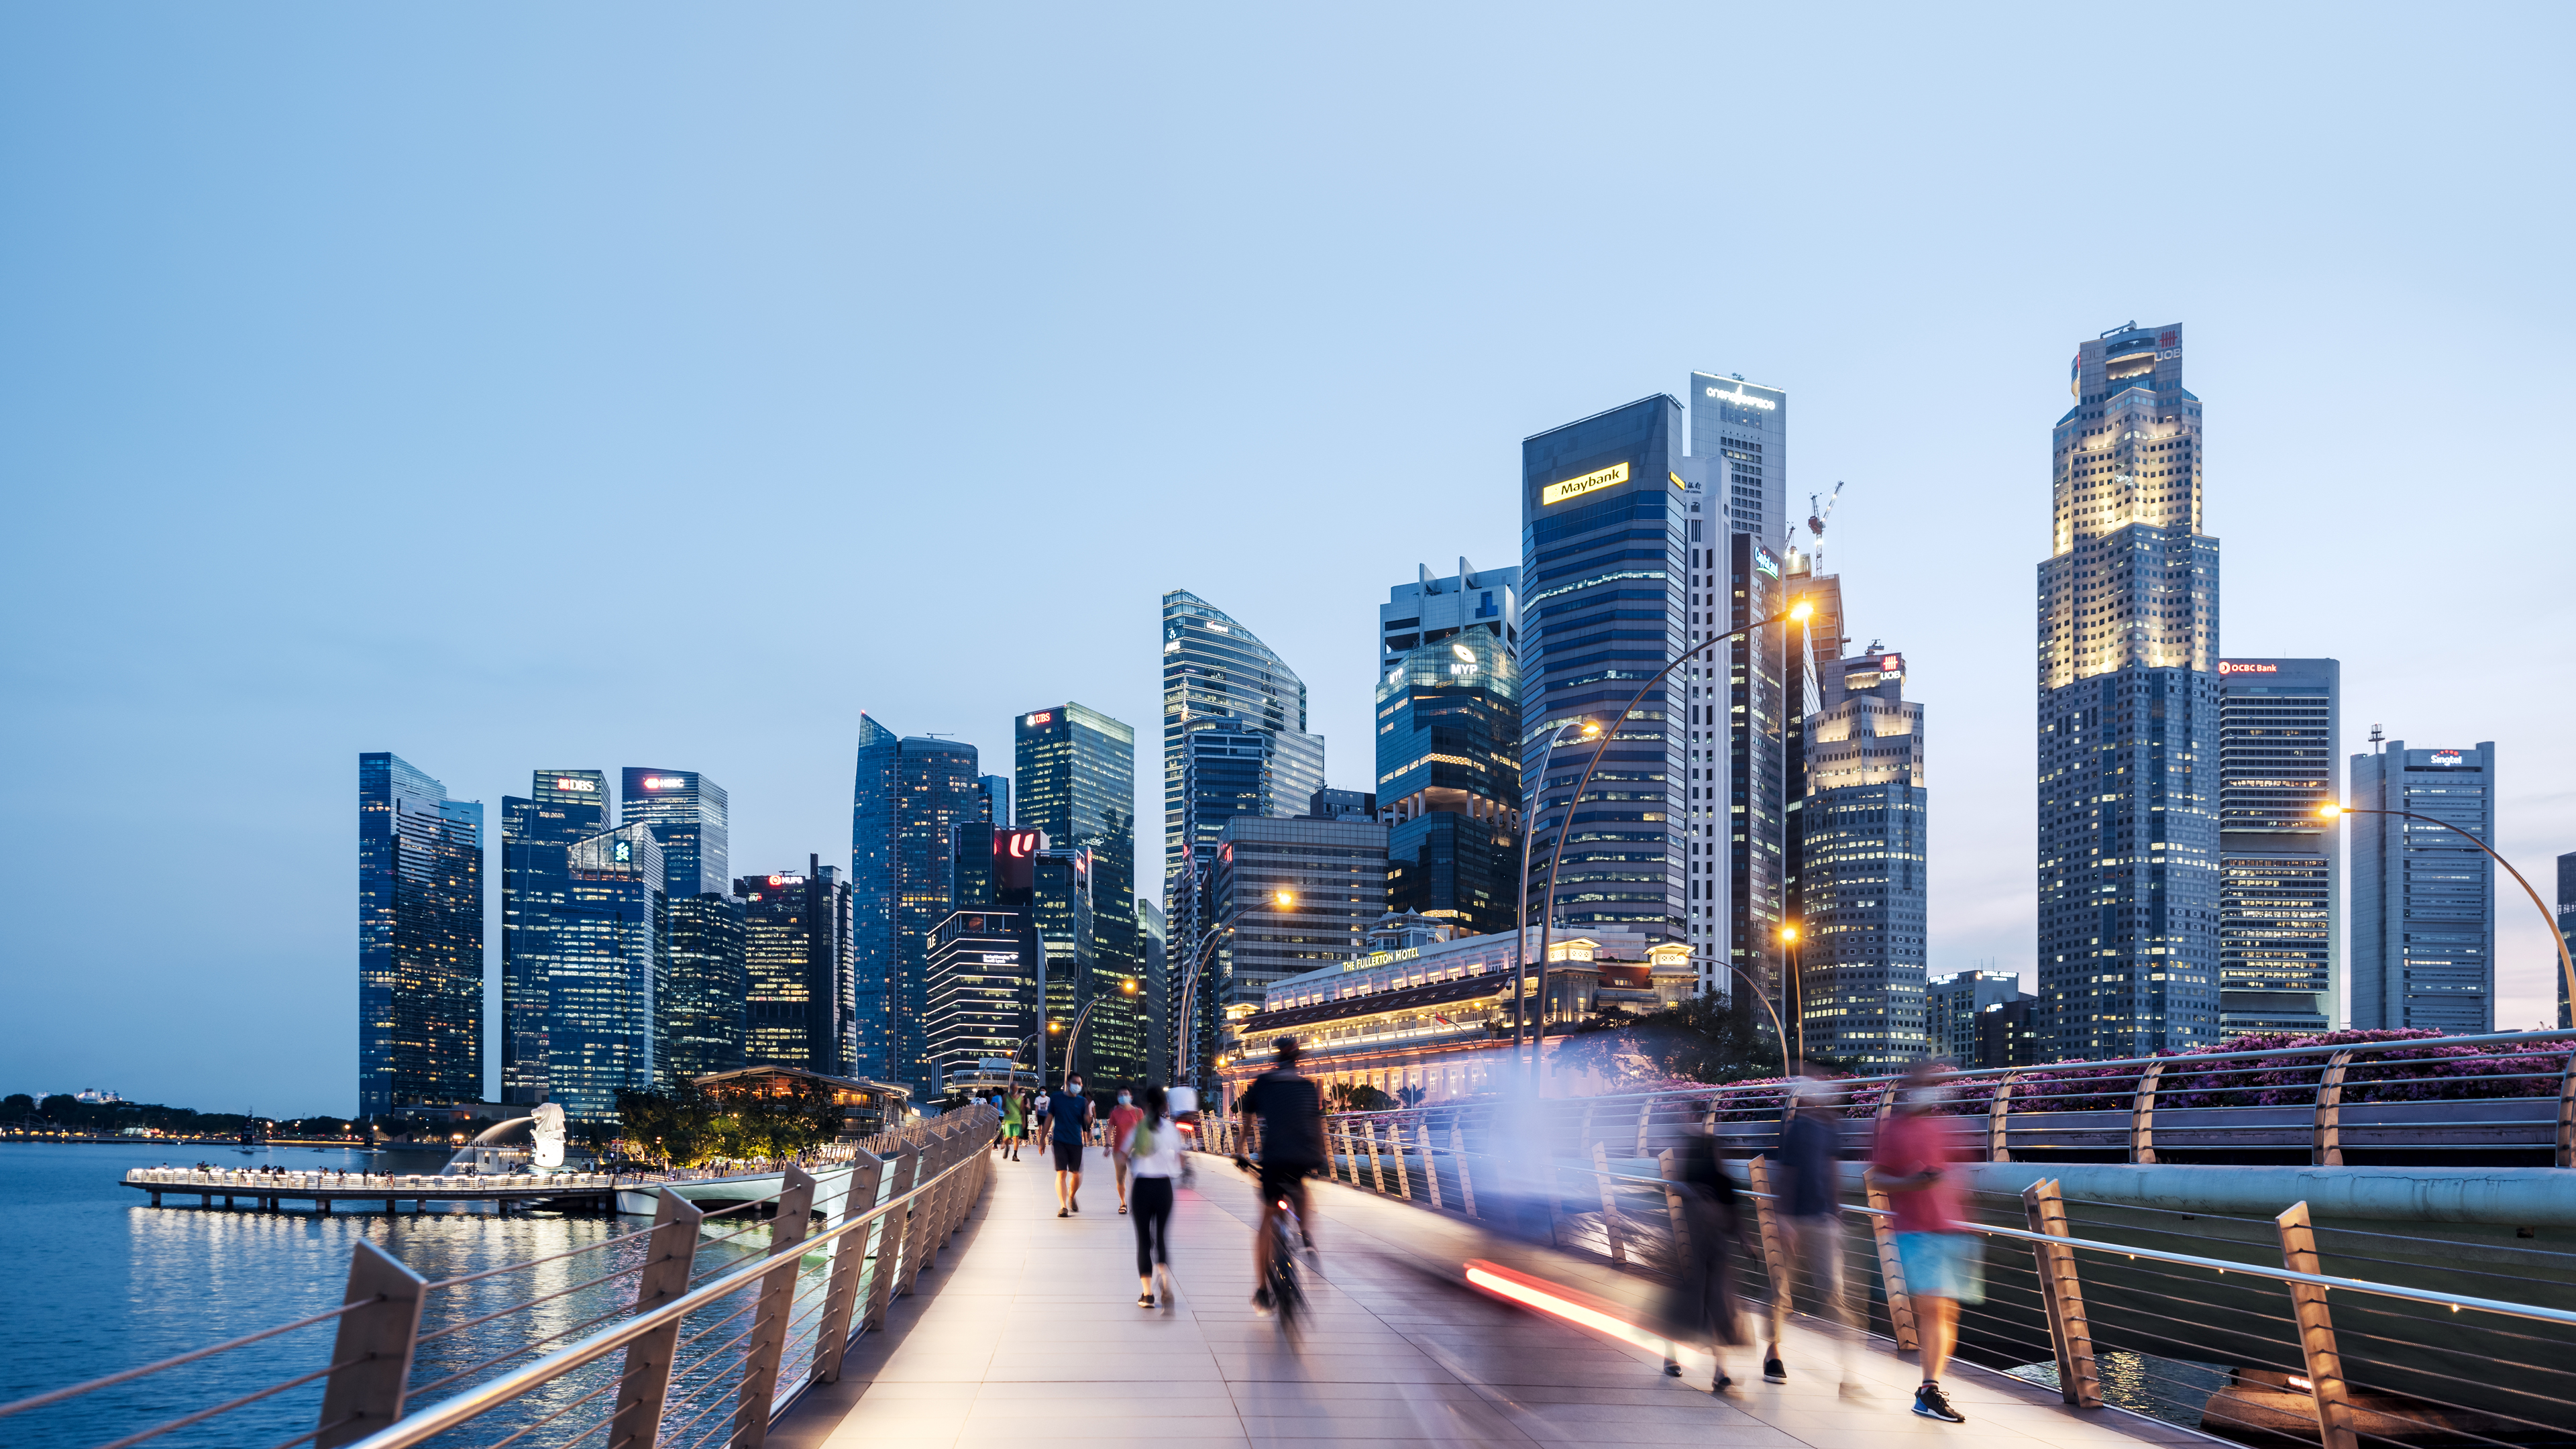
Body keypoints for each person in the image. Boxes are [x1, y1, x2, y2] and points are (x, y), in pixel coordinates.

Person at [1868, 1061, 1978, 1424]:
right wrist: (1911, 1183)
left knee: (1947, 1311)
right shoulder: (1895, 1130)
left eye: (1933, 1083)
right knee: (1932, 1307)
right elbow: (1877, 1178)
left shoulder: (1947, 1126)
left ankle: (1929, 1389)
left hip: (1952, 1229)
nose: (1928, 1088)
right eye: (1922, 1082)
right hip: (1915, 1229)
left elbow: (1960, 1174)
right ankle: (1929, 1390)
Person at [1764, 1070, 1864, 1394]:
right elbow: (1787, 1174)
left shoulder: (1830, 1129)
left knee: (1834, 1293)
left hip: (1822, 1220)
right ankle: (1773, 1353)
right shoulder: (1796, 1128)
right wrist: (1783, 1218)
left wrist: (1834, 1214)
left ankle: (1849, 1375)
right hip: (1794, 1220)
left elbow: (1831, 1172)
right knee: (1780, 1288)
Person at [1655, 1114, 1748, 1393]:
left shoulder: (1717, 1184)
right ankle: (1677, 1355)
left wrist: (1744, 1239)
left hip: (1713, 1254)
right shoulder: (1692, 1187)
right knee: (1690, 1306)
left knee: (1717, 1308)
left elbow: (1733, 1218)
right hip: (1695, 1254)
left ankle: (1719, 1371)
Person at [1234, 1038, 1325, 1308]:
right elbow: (1316, 1124)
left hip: (1274, 1159)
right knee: (1301, 1189)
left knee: (1267, 1218)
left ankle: (1263, 1290)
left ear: (1276, 1060)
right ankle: (1305, 1235)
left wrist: (1239, 1152)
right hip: (1301, 1158)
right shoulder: (1307, 1087)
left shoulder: (1263, 1083)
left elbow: (1247, 1121)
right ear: (1297, 1062)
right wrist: (1319, 1158)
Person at [1126, 1085, 1182, 1309]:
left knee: (1144, 1240)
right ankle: (1165, 1279)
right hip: (1164, 1187)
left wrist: (1131, 1163)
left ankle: (1148, 1295)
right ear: (1164, 1105)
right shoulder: (1172, 1130)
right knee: (1161, 1237)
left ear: (1145, 1106)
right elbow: (1180, 1160)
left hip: (1142, 1187)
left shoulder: (1139, 1128)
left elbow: (1121, 1155)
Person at [1047, 1073, 1095, 1216]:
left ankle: (1072, 1196)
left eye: (1080, 1084)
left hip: (1075, 1141)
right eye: (1075, 1082)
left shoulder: (1082, 1101)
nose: (1077, 1086)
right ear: (1068, 1083)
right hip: (1059, 1140)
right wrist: (1042, 1139)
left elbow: (1086, 1122)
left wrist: (1088, 1115)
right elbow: (1049, 1118)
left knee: (1076, 1175)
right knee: (1061, 1172)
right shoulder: (1056, 1098)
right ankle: (1063, 1207)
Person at [1106, 1088, 1144, 1215]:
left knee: (1134, 1177)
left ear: (1131, 1097)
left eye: (1126, 1094)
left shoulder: (1138, 1111)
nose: (1123, 1096)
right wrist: (1107, 1145)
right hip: (1119, 1150)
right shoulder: (1115, 1112)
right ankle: (1123, 1203)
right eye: (1121, 1095)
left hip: (1134, 1149)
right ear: (1117, 1098)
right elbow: (1110, 1129)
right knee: (1120, 1178)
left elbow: (1143, 1130)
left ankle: (1135, 1203)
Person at [1000, 1089, 1025, 1161]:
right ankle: (1007, 1147)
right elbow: (1003, 1106)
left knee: (1016, 1138)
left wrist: (1024, 1121)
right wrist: (1006, 1110)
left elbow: (1023, 1109)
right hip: (1008, 1121)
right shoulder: (1006, 1096)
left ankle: (1015, 1155)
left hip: (1017, 1120)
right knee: (1007, 1137)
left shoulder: (1020, 1098)